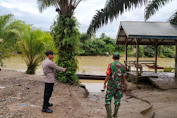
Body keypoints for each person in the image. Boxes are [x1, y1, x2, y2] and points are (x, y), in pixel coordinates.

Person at [103, 52, 126, 118]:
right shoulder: (122, 66)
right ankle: (115, 115)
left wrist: (104, 83)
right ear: (119, 58)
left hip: (111, 85)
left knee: (107, 100)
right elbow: (124, 77)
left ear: (112, 58)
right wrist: (123, 84)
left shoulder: (110, 65)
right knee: (117, 100)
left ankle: (109, 116)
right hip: (119, 85)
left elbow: (107, 75)